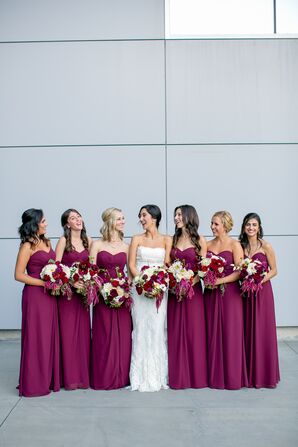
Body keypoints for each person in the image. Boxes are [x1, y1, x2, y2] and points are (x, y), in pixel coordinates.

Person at [14, 209, 60, 397]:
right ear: (34, 224)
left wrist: (58, 279)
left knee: (48, 336)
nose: (46, 224)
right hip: (34, 296)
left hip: (50, 296)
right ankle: (33, 383)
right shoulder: (27, 246)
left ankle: (47, 379)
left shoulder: (47, 242)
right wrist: (44, 283)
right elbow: (18, 275)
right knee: (36, 337)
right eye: (43, 221)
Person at [128, 204, 172, 392]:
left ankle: (158, 375)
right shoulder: (136, 238)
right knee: (140, 327)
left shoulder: (167, 239)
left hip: (160, 290)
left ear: (154, 217)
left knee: (156, 328)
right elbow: (131, 264)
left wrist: (157, 284)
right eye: (140, 216)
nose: (141, 219)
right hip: (139, 289)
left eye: (144, 215)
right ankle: (138, 377)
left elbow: (167, 264)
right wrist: (143, 282)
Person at [204, 211, 248, 389]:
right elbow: (202, 267)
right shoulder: (207, 245)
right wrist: (207, 278)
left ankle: (232, 377)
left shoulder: (235, 245)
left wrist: (219, 280)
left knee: (231, 333)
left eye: (216, 224)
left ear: (225, 225)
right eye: (212, 224)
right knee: (212, 332)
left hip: (230, 294)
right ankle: (213, 377)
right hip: (211, 294)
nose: (212, 227)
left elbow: (240, 271)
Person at [90, 207, 132, 389]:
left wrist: (125, 290)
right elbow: (91, 271)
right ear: (110, 222)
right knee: (104, 336)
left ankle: (122, 377)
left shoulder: (127, 246)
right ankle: (104, 377)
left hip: (122, 296)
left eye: (123, 219)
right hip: (103, 296)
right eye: (120, 219)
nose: (123, 222)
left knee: (124, 336)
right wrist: (103, 290)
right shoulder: (97, 245)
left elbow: (129, 273)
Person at [167, 205, 208, 389]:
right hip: (175, 292)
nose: (176, 218)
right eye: (175, 215)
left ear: (188, 217)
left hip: (193, 292)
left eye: (179, 215)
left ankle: (196, 377)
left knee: (194, 332)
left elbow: (203, 267)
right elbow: (167, 264)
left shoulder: (199, 239)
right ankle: (179, 376)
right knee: (176, 331)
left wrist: (190, 282)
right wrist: (175, 282)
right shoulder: (172, 239)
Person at [239, 212, 280, 388]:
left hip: (262, 293)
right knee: (247, 330)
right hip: (246, 294)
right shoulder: (241, 247)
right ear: (244, 227)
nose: (251, 228)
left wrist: (259, 280)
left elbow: (274, 270)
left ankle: (264, 375)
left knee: (262, 331)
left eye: (254, 225)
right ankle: (249, 373)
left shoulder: (266, 247)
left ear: (259, 227)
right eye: (248, 225)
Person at [55, 209, 92, 390]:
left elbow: (93, 267)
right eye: (72, 218)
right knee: (68, 335)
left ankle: (82, 377)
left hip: (83, 296)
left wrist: (89, 282)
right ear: (67, 224)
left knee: (83, 336)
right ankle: (69, 378)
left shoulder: (88, 241)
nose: (77, 220)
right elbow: (56, 268)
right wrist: (72, 281)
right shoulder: (63, 241)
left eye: (79, 216)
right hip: (68, 295)